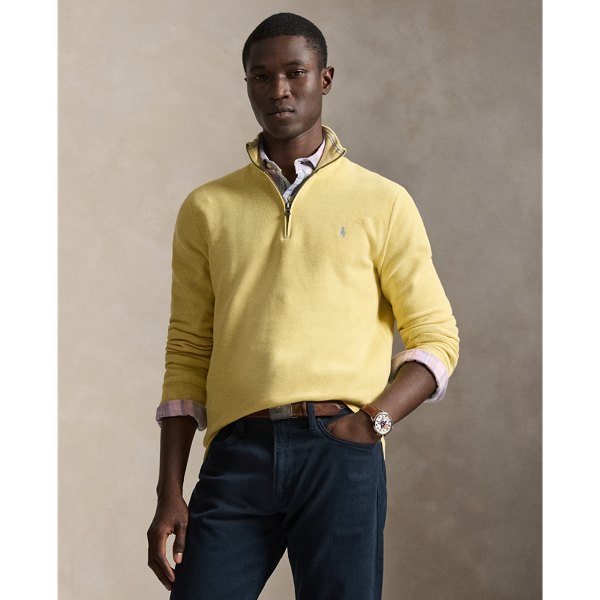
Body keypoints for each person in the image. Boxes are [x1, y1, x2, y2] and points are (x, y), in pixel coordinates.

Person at [147, 12, 459, 600]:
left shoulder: (382, 202)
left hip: (341, 449)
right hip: (238, 452)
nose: (279, 90)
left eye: (295, 73)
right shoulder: (207, 208)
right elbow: (187, 351)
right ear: (247, 84)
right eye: (261, 76)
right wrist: (169, 491)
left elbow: (437, 339)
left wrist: (372, 424)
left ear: (326, 78)